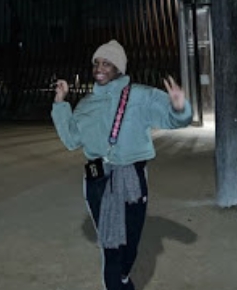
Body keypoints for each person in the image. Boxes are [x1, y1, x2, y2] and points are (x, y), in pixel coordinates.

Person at [51, 39, 192, 290]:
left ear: (119, 68)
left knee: (130, 244)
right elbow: (71, 140)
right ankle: (118, 283)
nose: (100, 68)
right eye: (96, 63)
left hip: (131, 179)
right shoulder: (86, 104)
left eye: (107, 63)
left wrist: (179, 107)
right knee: (112, 248)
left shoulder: (139, 96)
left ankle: (124, 278)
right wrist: (61, 104)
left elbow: (173, 119)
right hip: (98, 182)